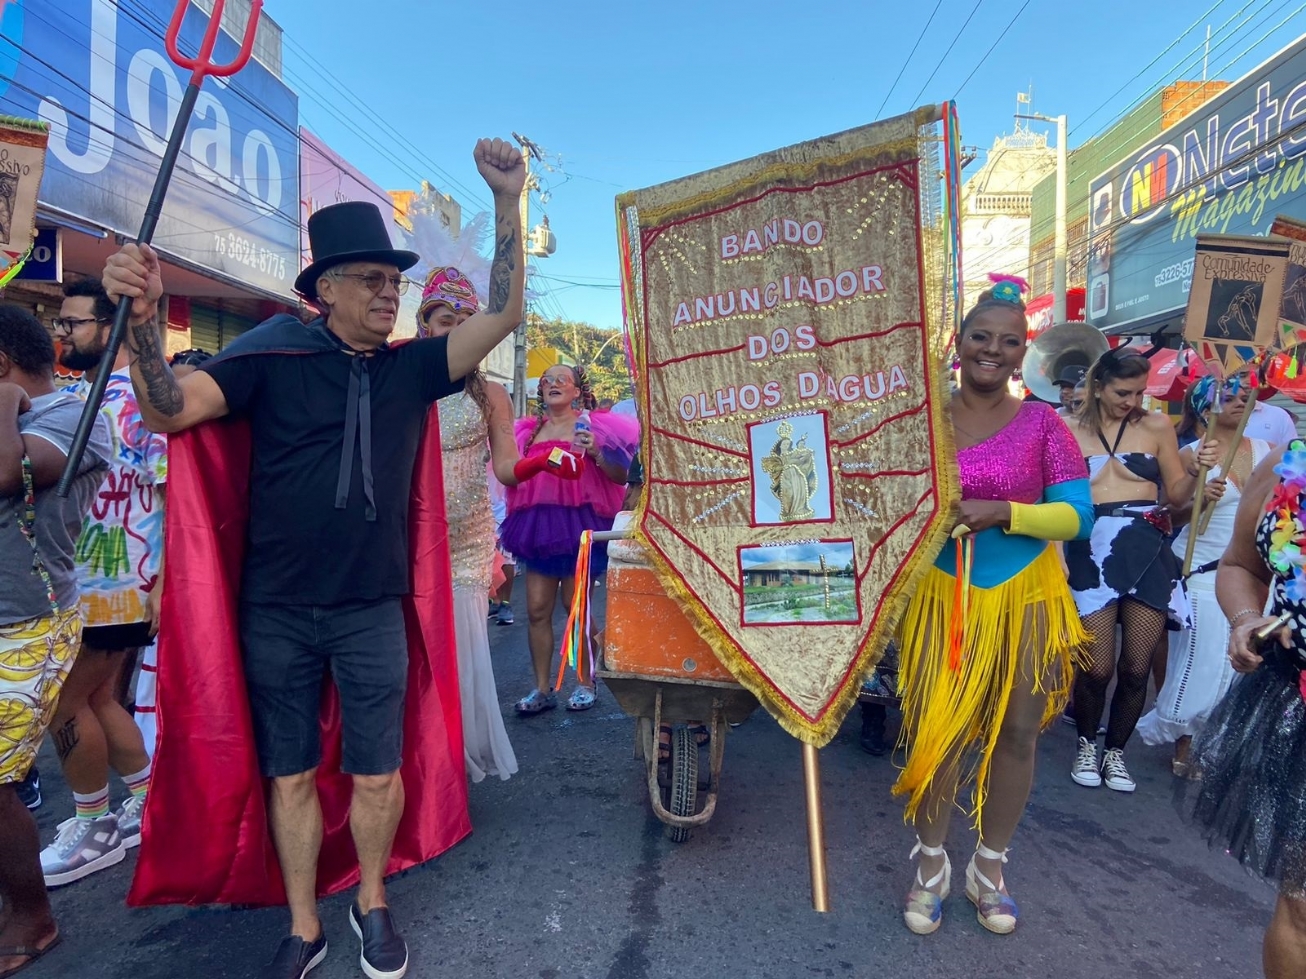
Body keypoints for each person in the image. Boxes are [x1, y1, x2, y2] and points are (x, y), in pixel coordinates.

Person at [103, 138, 527, 979]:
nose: (388, 290)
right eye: (369, 278)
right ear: (323, 289)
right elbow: (167, 409)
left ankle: (372, 900)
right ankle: (305, 923)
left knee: (376, 772)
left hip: (373, 606)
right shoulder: (269, 355)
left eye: (393, 279)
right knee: (290, 773)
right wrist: (147, 325)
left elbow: (504, 316)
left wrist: (509, 203)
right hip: (277, 611)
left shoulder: (415, 370)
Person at [893, 280, 1093, 936]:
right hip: (940, 594)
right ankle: (930, 865)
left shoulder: (1043, 422)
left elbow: (1076, 516)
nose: (994, 349)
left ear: (1021, 354)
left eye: (1010, 341)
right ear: (959, 341)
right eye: (982, 335)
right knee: (939, 733)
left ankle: (989, 867)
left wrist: (1006, 511)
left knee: (1017, 732)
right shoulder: (919, 419)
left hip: (1028, 594)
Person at [416, 265, 573, 783]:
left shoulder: (493, 396)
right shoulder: (403, 379)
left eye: (466, 319)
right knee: (411, 655)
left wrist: (538, 461)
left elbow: (505, 466)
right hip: (408, 539)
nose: (457, 329)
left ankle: (449, 764)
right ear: (424, 325)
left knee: (458, 654)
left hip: (464, 542)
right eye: (445, 320)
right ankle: (415, 762)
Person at [37, 277, 163, 888]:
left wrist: (164, 580)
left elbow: (173, 487)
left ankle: (94, 826)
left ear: (110, 328)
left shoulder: (132, 398)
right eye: (60, 324)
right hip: (82, 581)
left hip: (120, 582)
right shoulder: (77, 395)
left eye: (74, 323)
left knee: (65, 700)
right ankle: (143, 801)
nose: (62, 333)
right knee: (98, 698)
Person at [0, 304, 110, 978]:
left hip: (27, 626)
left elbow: (6, 474)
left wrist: (6, 395)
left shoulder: (70, 415)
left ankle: (33, 916)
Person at [1064, 348, 1218, 793]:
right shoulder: (1068, 428)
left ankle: (1115, 753)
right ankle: (1086, 745)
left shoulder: (1156, 426)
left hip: (1148, 547)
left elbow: (1175, 495)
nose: (1131, 400)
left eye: (1139, 391)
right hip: (1088, 548)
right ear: (1097, 386)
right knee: (1096, 668)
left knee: (1136, 667)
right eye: (1122, 392)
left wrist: (1198, 473)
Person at [1191, 439, 1306, 979]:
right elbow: (1241, 565)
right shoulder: (1287, 465)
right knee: (1303, 904)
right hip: (1296, 705)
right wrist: (1244, 618)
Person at [1138, 378, 1269, 776]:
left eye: (1243, 397)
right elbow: (1168, 513)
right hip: (1201, 569)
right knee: (1202, 660)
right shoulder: (1191, 453)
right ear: (1206, 408)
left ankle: (1221, 744)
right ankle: (1185, 742)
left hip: (1253, 571)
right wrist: (1198, 496)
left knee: (1239, 665)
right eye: (1227, 398)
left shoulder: (1265, 453)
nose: (1238, 402)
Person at [501, 365, 638, 713]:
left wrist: (595, 453)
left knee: (575, 607)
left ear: (577, 391)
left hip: (579, 526)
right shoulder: (528, 433)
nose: (552, 383)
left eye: (562, 378)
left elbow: (622, 476)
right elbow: (513, 475)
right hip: (539, 527)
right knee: (535, 609)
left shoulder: (595, 427)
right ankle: (542, 689)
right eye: (546, 379)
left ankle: (586, 683)